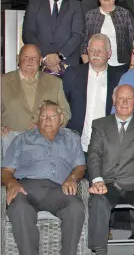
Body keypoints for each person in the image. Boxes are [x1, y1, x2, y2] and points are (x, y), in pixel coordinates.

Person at [1, 100, 85, 255]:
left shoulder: (71, 138)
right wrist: (11, 182)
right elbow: (6, 170)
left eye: (52, 116)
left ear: (60, 118)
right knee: (19, 208)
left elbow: (80, 166)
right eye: (43, 116)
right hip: (26, 187)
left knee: (76, 207)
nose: (47, 120)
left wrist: (72, 177)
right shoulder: (22, 139)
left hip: (58, 189)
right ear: (37, 119)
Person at [87, 84, 134, 255]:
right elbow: (94, 154)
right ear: (113, 101)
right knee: (97, 199)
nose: (125, 102)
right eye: (120, 98)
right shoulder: (99, 125)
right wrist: (97, 180)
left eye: (129, 99)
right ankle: (100, 249)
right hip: (107, 182)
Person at [62, 33, 127, 152]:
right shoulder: (73, 74)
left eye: (100, 51)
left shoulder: (120, 77)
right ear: (87, 51)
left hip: (107, 146)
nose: (96, 54)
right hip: (76, 145)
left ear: (109, 53)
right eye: (92, 50)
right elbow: (62, 105)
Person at [22, 0, 84, 71]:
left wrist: (59, 56)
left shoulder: (76, 6)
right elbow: (28, 33)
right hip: (40, 64)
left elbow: (78, 35)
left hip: (68, 65)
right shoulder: (34, 4)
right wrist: (46, 57)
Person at [2, 44, 71, 133]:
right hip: (11, 142)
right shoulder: (3, 82)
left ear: (40, 60)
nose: (30, 61)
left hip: (45, 142)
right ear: (18, 59)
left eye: (34, 58)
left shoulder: (55, 83)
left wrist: (48, 127)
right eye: (26, 57)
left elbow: (65, 113)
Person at [81, 0, 134, 67]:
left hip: (122, 65)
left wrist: (133, 65)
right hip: (96, 66)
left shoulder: (125, 14)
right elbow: (84, 44)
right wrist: (87, 66)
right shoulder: (90, 15)